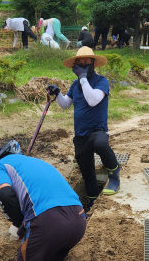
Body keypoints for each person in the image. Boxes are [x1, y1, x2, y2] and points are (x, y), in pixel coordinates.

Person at [0, 139, 87, 261]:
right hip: (79, 220)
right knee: (53, 256)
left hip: (49, 223)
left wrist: (20, 225)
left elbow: (5, 193)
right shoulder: (35, 162)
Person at [46, 46, 120, 209]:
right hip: (81, 134)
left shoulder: (102, 82)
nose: (83, 64)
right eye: (80, 62)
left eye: (87, 61)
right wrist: (58, 94)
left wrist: (84, 79)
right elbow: (66, 104)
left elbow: (93, 100)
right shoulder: (75, 84)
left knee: (100, 143)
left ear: (93, 63)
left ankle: (114, 173)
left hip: (97, 130)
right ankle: (92, 200)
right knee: (87, 172)